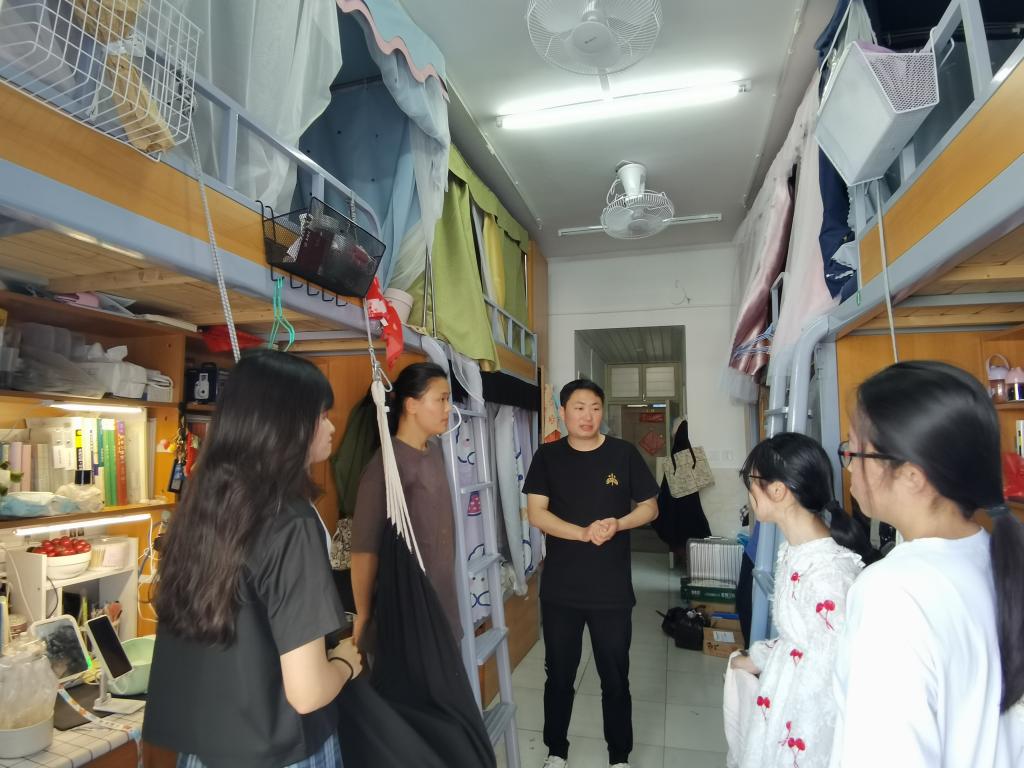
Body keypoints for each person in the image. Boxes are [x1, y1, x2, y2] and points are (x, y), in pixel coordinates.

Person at [144, 350, 361, 768]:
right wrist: (344, 663)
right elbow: (307, 692)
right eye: (321, 416)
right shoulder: (291, 523)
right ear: (287, 424)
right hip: (280, 754)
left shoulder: (200, 504)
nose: (332, 427)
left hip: (202, 753)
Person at [830, 361, 1024, 766]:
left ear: (912, 476)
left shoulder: (892, 593)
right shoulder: (994, 557)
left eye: (854, 451)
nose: (849, 467)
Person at [524, 379, 660, 768]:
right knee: (559, 675)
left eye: (595, 408)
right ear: (563, 412)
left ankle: (619, 756)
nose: (588, 416)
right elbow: (537, 514)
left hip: (611, 591)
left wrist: (618, 523)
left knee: (615, 677)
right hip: (561, 590)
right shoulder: (547, 456)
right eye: (579, 407)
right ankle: (556, 750)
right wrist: (583, 533)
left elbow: (650, 507)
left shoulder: (623, 453)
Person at [727, 433, 870, 768]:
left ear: (777, 491)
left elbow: (825, 680)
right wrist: (758, 658)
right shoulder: (795, 550)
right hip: (783, 696)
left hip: (803, 724)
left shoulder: (828, 574)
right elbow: (803, 638)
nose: (750, 494)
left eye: (751, 483)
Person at [351, 362, 461, 651]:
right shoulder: (386, 466)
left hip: (441, 604)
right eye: (441, 399)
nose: (448, 409)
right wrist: (364, 616)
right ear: (411, 405)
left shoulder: (435, 452)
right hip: (407, 613)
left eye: (448, 400)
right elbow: (364, 551)